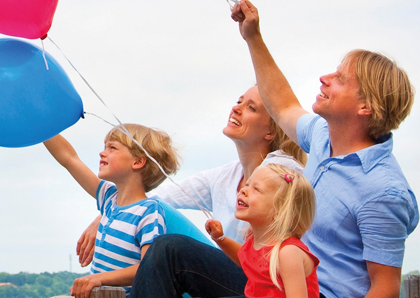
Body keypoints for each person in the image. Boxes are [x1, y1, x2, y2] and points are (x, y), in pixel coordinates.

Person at [99, 0, 416, 298]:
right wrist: (253, 37)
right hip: (271, 283)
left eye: (340, 79)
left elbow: (385, 289)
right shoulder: (322, 138)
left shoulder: (383, 189)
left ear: (365, 106)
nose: (324, 78)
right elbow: (281, 101)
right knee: (170, 251)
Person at [3, 124, 181, 298]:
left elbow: (149, 268)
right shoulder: (109, 200)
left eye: (112, 148)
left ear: (138, 161)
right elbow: (69, 158)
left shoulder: (149, 211)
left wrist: (97, 278)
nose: (102, 153)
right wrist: (38, 123)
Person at [76, 85, 306, 267]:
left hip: (258, 279)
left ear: (271, 131)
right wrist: (108, 213)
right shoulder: (225, 175)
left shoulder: (283, 169)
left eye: (251, 108)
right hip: (229, 273)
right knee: (154, 208)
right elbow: (162, 197)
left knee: (166, 238)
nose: (236, 108)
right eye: (239, 101)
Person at [171, 164, 324, 298]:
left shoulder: (288, 251)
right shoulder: (255, 243)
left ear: (280, 209)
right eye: (247, 184)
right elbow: (246, 259)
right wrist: (221, 240)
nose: (244, 189)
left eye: (256, 189)